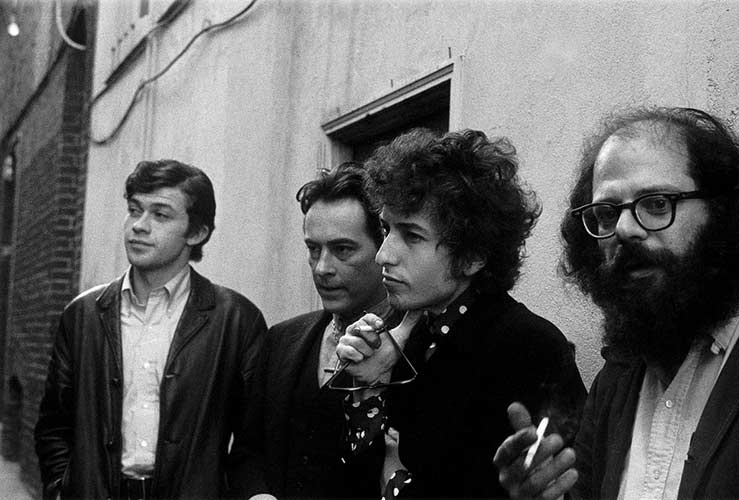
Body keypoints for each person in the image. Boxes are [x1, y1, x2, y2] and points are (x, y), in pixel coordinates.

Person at [494, 107, 739, 500]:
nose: (623, 229)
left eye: (656, 204)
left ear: (724, 213)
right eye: (606, 213)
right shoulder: (617, 378)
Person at [335, 128, 587, 498]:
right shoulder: (409, 336)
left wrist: (397, 477)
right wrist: (371, 386)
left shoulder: (529, 347)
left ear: (472, 256)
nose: (383, 254)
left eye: (412, 236)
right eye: (387, 229)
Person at [34, 160, 268, 500]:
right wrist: (61, 489)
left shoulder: (236, 319)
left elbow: (254, 439)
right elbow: (54, 426)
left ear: (197, 232)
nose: (138, 226)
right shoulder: (83, 315)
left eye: (160, 215)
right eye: (134, 210)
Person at [229, 162, 396, 499]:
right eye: (313, 249)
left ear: (383, 249)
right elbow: (247, 453)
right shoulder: (281, 339)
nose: (322, 268)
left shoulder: (412, 346)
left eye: (343, 250)